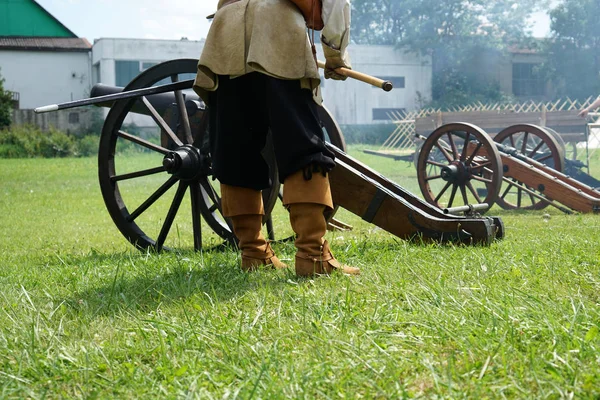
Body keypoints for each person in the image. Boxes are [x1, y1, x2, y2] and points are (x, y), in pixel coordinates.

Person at [193, 0, 360, 276]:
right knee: (302, 144)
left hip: (226, 36)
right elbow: (335, 3)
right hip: (276, 30)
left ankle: (253, 252)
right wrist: (335, 58)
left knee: (237, 148)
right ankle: (312, 255)